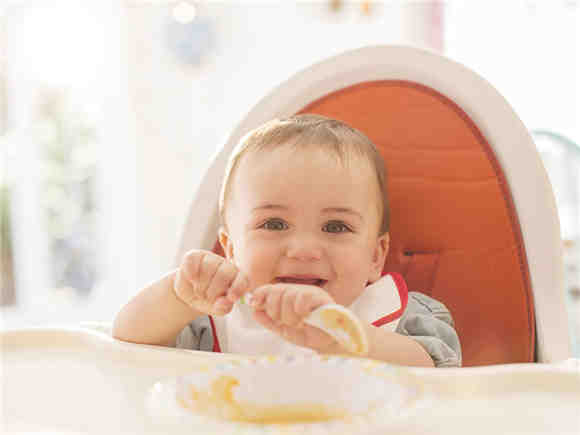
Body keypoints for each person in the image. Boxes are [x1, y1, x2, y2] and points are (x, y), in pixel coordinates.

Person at [113, 114, 461, 368]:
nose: (304, 249)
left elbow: (438, 378)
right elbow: (128, 345)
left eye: (336, 227)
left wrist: (346, 339)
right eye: (274, 223)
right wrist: (178, 297)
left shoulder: (402, 318)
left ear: (375, 256)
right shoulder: (213, 322)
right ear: (231, 249)